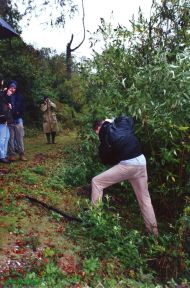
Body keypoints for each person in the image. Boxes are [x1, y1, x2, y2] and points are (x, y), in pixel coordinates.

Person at [91, 116, 158, 236]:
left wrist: (103, 143)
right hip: (141, 161)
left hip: (129, 164)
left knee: (97, 182)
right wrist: (113, 120)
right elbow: (129, 119)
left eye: (96, 132)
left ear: (97, 129)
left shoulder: (103, 135)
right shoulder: (120, 123)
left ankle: (95, 221)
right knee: (145, 200)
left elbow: (105, 159)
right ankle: (154, 235)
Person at [6, 80, 27, 161]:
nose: (12, 89)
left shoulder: (20, 96)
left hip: (18, 120)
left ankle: (22, 154)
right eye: (11, 87)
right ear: (9, 87)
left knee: (19, 137)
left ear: (16, 88)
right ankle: (12, 155)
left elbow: (23, 107)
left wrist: (18, 112)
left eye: (14, 87)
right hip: (9, 120)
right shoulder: (6, 95)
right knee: (10, 138)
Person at [0, 74, 10, 164]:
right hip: (2, 118)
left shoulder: (2, 92)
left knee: (7, 137)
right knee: (2, 138)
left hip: (5, 117)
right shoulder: (2, 92)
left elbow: (5, 102)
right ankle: (2, 156)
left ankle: (5, 155)